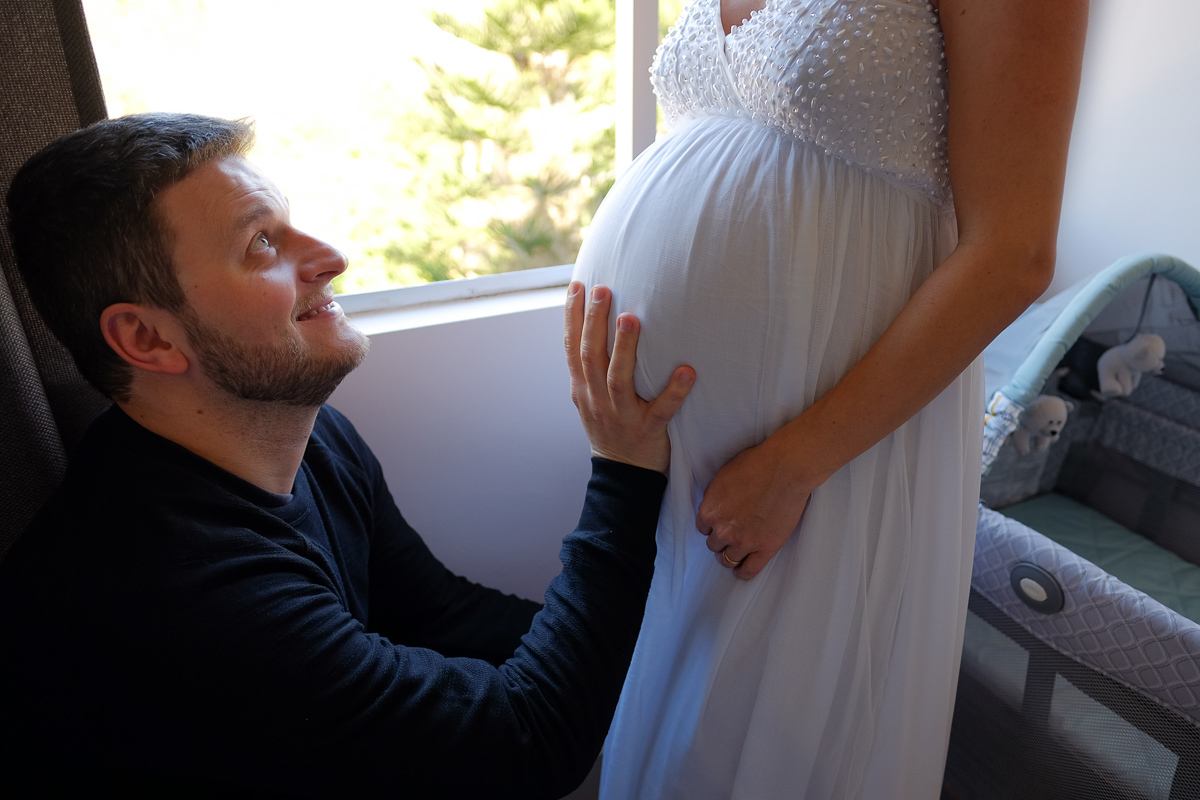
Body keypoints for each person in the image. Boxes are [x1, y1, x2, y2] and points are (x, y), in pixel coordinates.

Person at [0, 112, 695, 799]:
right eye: (262, 244)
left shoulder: (309, 437)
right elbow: (523, 746)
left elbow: (442, 618)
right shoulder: (177, 595)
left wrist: (685, 653)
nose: (330, 257)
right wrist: (626, 471)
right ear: (148, 340)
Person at [571, 0, 1089, 797]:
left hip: (822, 452)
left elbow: (1014, 253)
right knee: (673, 727)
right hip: (672, 460)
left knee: (765, 742)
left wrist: (794, 464)